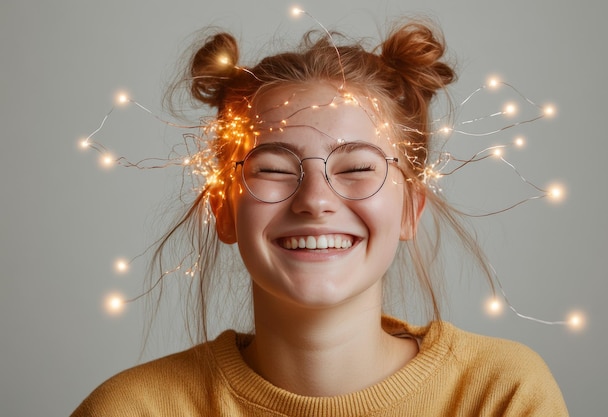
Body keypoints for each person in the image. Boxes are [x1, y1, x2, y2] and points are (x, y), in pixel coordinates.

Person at [71, 19, 569, 416]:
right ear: (223, 209)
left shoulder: (500, 394)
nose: (315, 199)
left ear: (409, 211)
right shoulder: (131, 409)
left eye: (356, 168)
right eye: (272, 168)